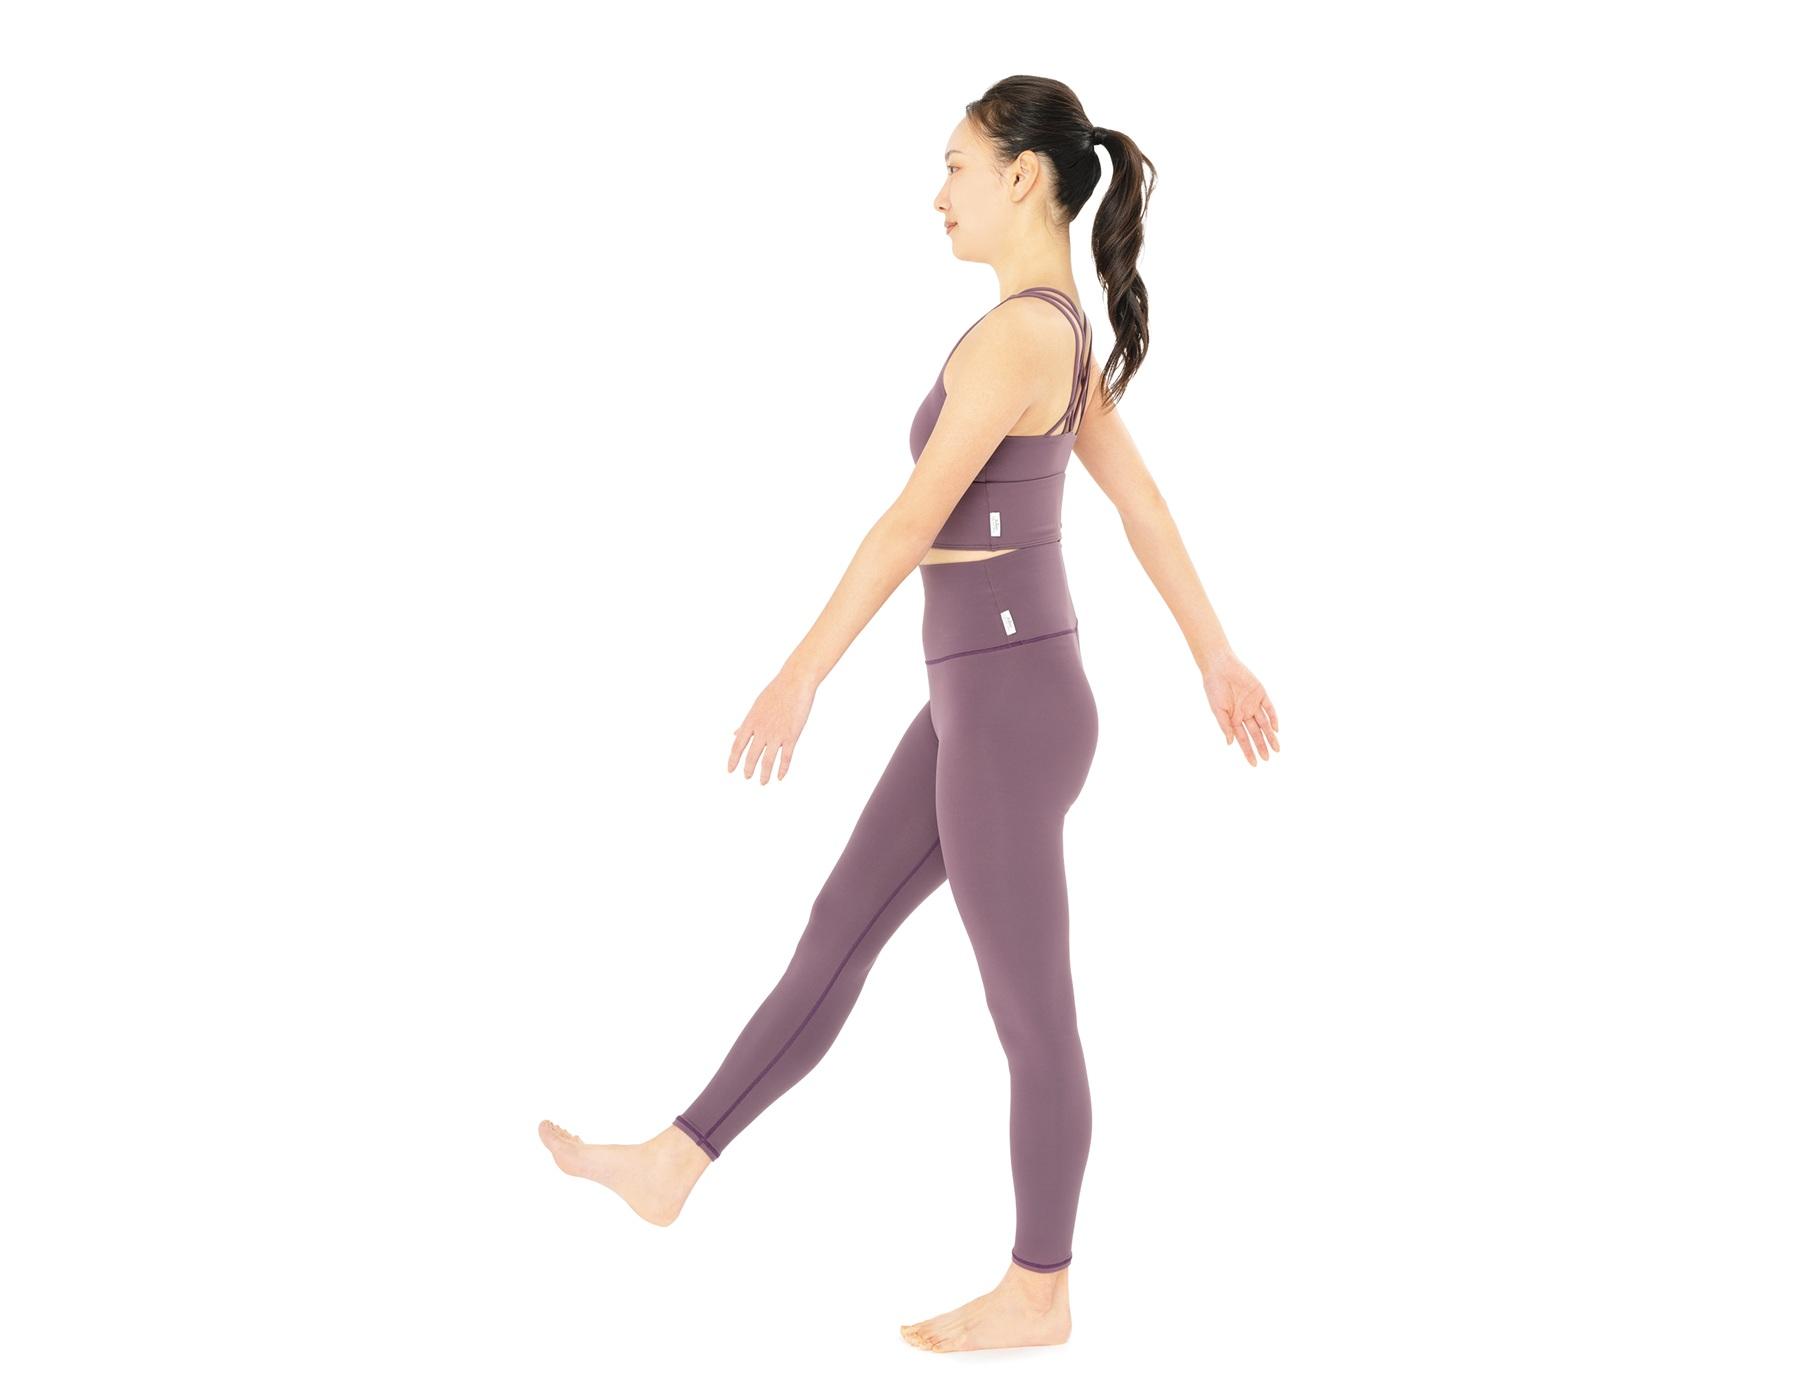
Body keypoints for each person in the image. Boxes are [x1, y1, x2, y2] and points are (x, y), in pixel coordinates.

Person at [538, 74, 1279, 1354]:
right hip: (988, 698)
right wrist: (1215, 655)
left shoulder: (1020, 339)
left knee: (1030, 1010)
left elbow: (906, 525)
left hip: (1009, 714)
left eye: (956, 166)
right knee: (839, 927)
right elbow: (1142, 505)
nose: (938, 194)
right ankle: (674, 1159)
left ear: (1024, 177)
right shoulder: (1053, 330)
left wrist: (799, 674)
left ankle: (1040, 1287)